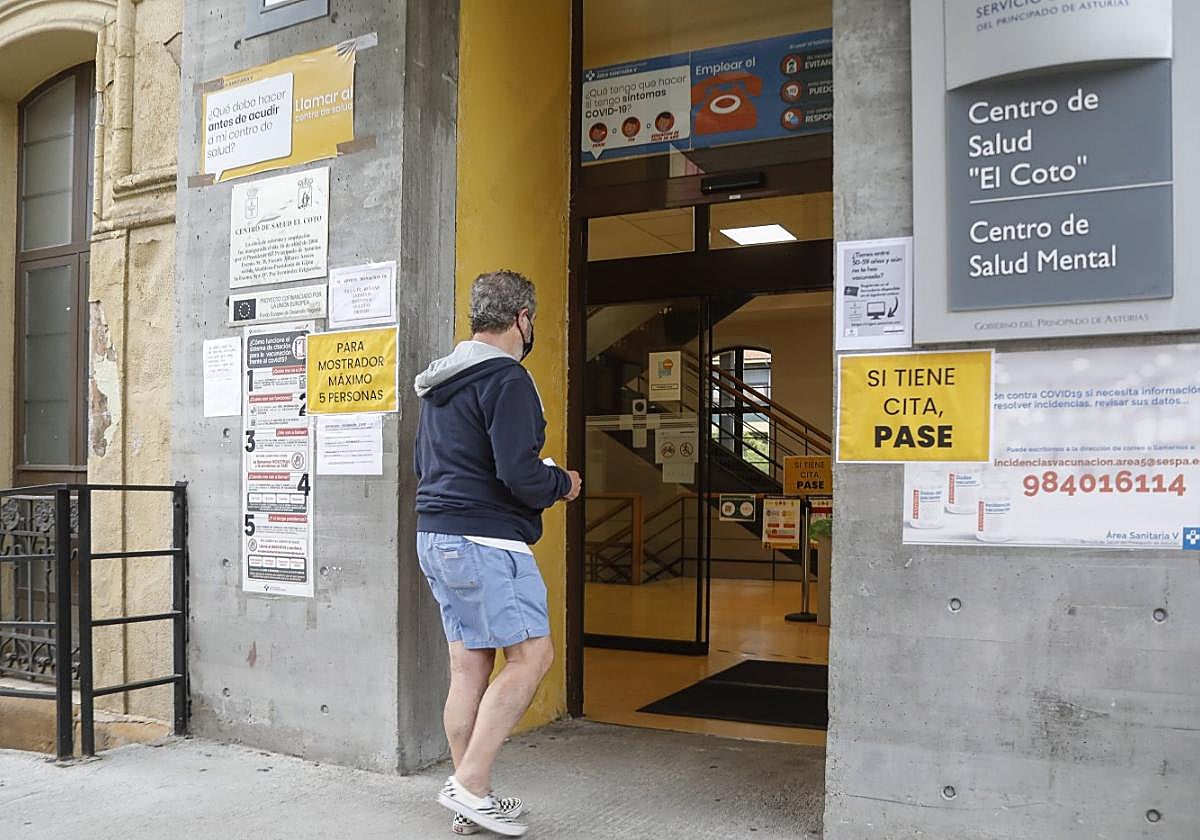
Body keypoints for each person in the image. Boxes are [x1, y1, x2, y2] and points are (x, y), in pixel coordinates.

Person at [413, 270, 582, 837]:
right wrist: (561, 483)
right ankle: (469, 783)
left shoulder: (440, 381)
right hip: (485, 541)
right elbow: (518, 473)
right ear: (522, 319)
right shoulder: (508, 378)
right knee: (532, 656)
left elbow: (425, 465)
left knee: (469, 667)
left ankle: (471, 798)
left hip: (437, 535)